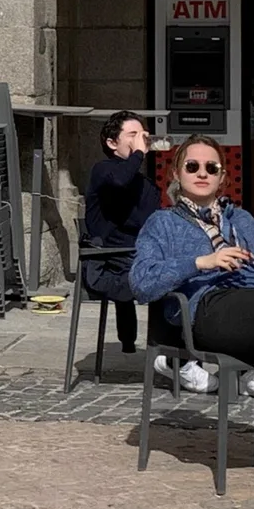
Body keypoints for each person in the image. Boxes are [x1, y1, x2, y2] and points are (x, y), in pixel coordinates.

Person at [130, 135, 254, 396]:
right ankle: (248, 369)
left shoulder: (240, 219)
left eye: (211, 168)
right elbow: (141, 283)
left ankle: (253, 370)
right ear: (176, 173)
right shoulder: (163, 222)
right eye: (192, 167)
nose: (202, 173)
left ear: (222, 177)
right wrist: (201, 262)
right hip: (209, 308)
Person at [81, 111, 159, 354]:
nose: (139, 140)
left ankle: (178, 353)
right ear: (112, 143)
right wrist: (137, 154)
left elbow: (150, 222)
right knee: (173, 280)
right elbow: (118, 182)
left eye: (142, 135)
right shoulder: (103, 170)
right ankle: (173, 356)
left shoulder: (144, 183)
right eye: (132, 135)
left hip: (135, 257)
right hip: (107, 261)